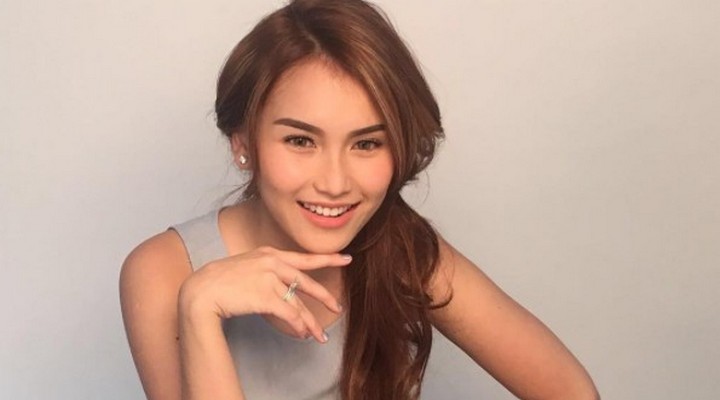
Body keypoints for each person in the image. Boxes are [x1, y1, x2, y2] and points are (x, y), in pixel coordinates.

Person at [120, 0, 600, 399]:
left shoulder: (400, 247)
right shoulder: (164, 272)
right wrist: (200, 309)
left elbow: (571, 391)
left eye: (367, 143)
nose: (335, 183)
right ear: (243, 142)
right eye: (301, 141)